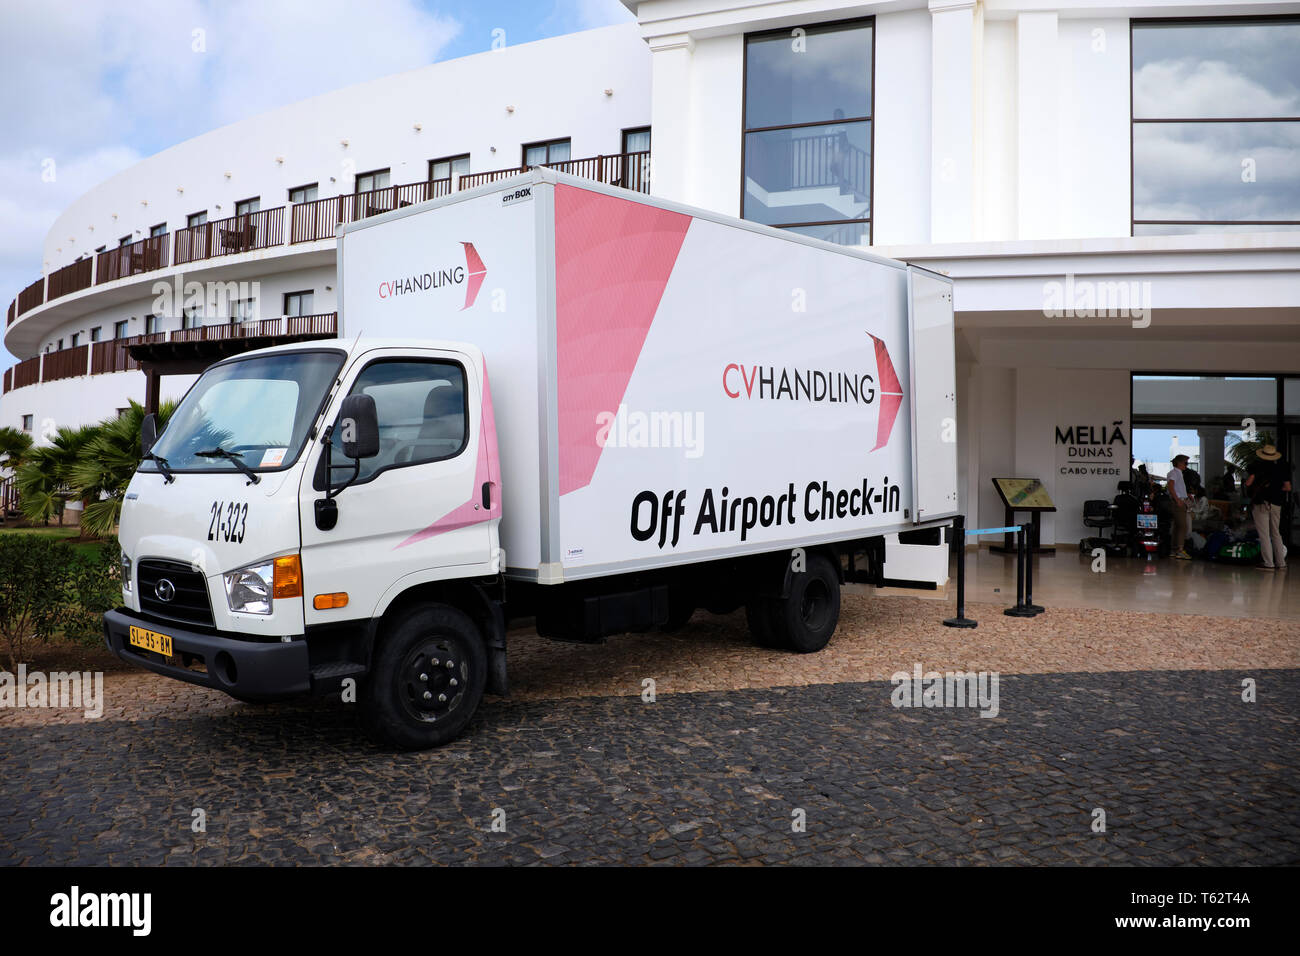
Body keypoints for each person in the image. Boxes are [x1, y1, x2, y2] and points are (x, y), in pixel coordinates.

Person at [1244, 445, 1292, 571]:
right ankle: (1281, 563)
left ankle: (1268, 563)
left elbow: (1248, 483)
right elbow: (1288, 488)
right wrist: (1276, 490)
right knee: (1276, 533)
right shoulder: (1281, 469)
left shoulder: (1257, 467)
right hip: (1277, 504)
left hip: (1261, 503)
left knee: (1264, 534)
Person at [1166, 454, 1192, 559]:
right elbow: (1171, 486)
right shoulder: (1174, 473)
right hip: (1178, 502)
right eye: (1186, 463)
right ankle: (1180, 550)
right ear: (1180, 463)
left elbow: (1175, 487)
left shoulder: (1178, 473)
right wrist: (1177, 499)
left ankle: (1174, 549)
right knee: (1183, 526)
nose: (1186, 465)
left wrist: (1186, 495)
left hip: (1180, 500)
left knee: (1177, 526)